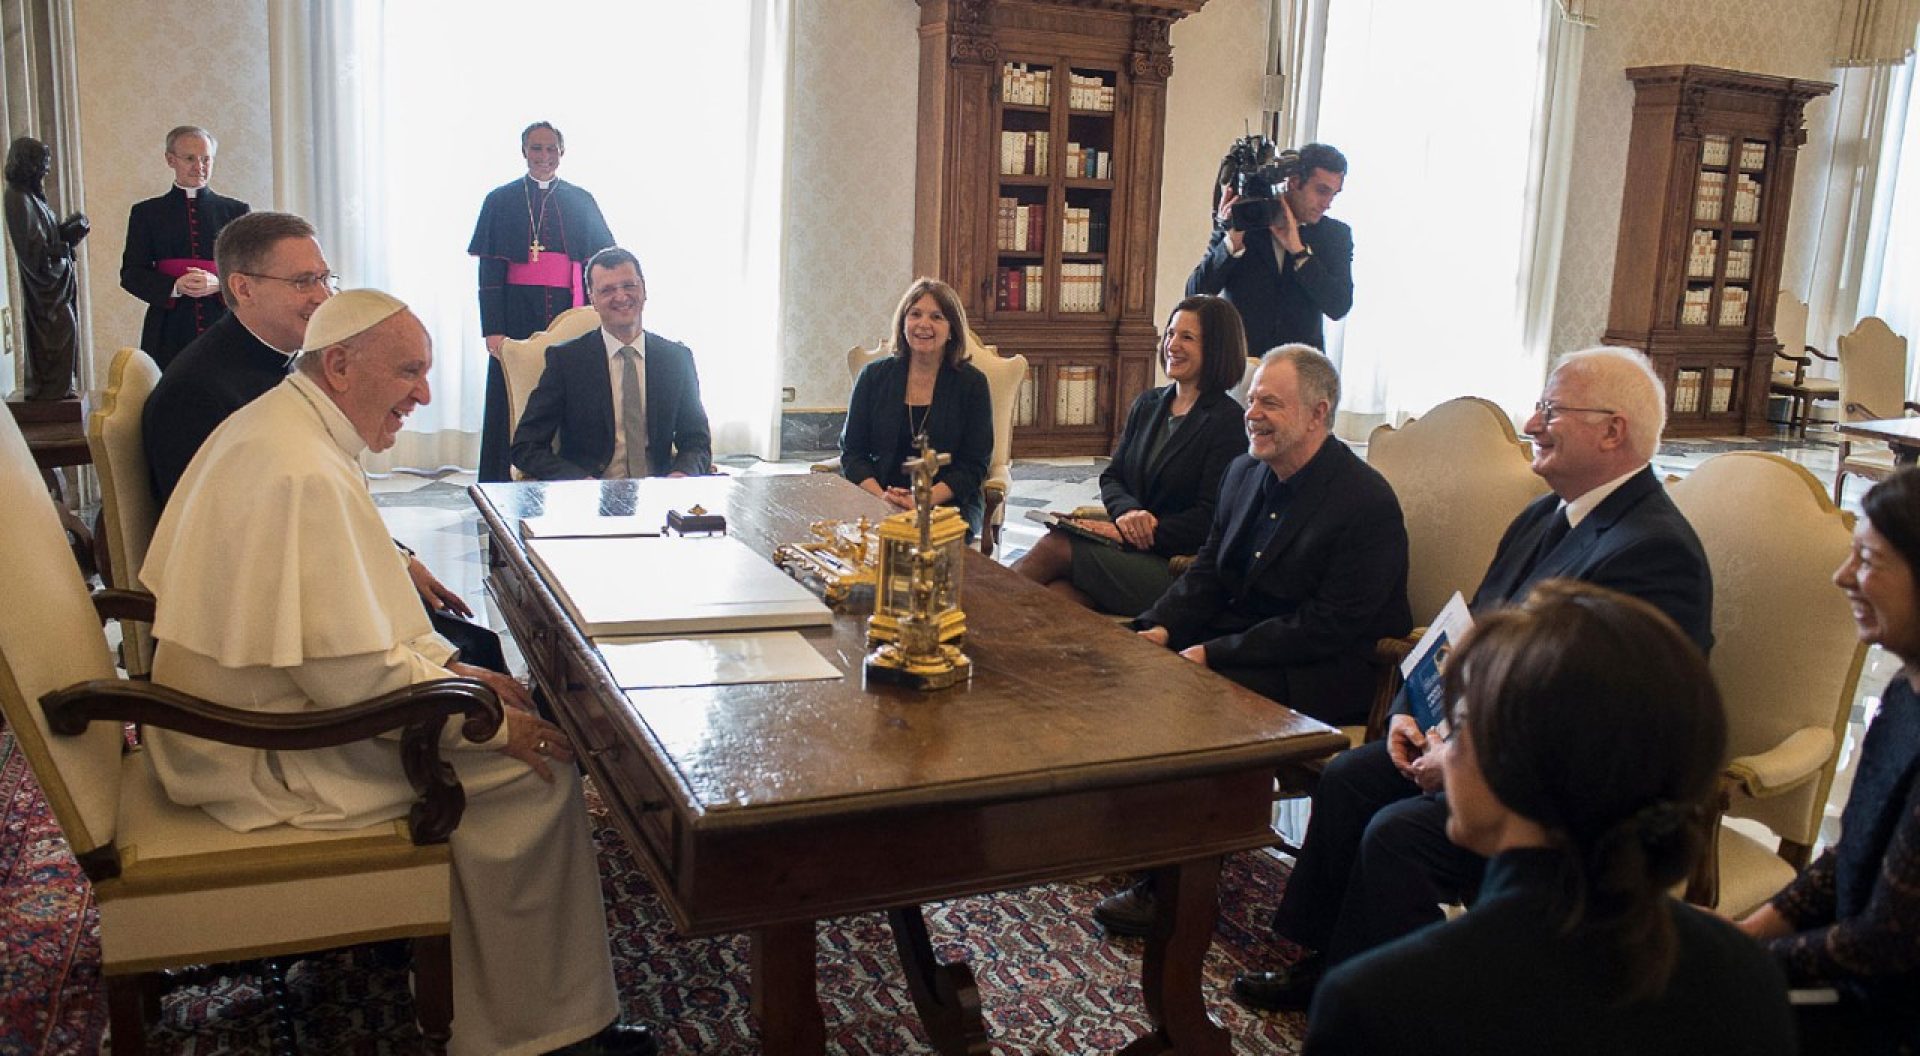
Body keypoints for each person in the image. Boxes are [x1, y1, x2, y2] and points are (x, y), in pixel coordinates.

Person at [140, 290, 654, 1056]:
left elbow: (341, 631)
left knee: (497, 713)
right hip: (268, 749)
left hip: (256, 711)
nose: (423, 394)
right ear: (339, 365)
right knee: (533, 772)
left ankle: (487, 978)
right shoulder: (301, 469)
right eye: (409, 372)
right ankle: (535, 1031)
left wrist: (451, 667)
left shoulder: (288, 428)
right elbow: (345, 672)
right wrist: (480, 715)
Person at [1234, 345, 1714, 1011]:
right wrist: (1407, 708)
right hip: (1472, 738)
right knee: (1350, 778)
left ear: (1613, 431)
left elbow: (1607, 722)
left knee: (1397, 835)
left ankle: (1426, 1007)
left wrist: (1470, 760)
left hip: (1554, 794)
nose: (1531, 422)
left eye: (1551, 410)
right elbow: (1469, 637)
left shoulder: (1652, 551)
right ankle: (1325, 963)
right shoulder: (1545, 515)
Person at [1304, 581, 1795, 1055]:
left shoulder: (1377, 1002)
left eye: (1457, 725)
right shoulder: (1747, 973)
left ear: (1511, 766)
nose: (1445, 750)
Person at [1093, 344, 1410, 936]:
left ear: (1318, 414)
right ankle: (1136, 839)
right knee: (1137, 662)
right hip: (1246, 642)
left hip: (1324, 668)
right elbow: (1210, 571)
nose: (1252, 414)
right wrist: (1158, 627)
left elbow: (1330, 626)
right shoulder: (1245, 471)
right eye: (1251, 399)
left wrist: (1213, 654)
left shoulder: (1364, 502)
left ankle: (1175, 888)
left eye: (1270, 402)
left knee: (1193, 697)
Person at [142, 211, 504, 673]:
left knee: (473, 644)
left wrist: (397, 559)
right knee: (476, 660)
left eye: (323, 278)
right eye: (302, 282)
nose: (322, 297)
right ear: (243, 288)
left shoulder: (273, 365)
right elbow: (241, 561)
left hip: (306, 611)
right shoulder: (205, 393)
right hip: (255, 641)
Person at [1739, 468, 1920, 1053]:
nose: (1842, 576)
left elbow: (1883, 945)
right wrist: (1749, 934)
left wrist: (1736, 963)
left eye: (1868, 560)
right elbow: (1857, 850)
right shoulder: (1905, 692)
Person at [1013, 294, 1248, 615]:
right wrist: (1127, 513)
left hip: (1176, 568)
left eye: (1187, 337)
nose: (1172, 344)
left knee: (1056, 547)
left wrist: (1134, 531)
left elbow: (1209, 521)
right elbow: (1113, 476)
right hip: (1124, 553)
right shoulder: (1148, 404)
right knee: (1058, 599)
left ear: (1216, 349)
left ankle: (973, 617)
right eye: (1170, 333)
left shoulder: (1228, 424)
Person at [469, 121, 615, 483]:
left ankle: (568, 471)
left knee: (570, 389)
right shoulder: (500, 200)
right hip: (517, 310)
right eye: (536, 148)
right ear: (524, 152)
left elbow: (602, 260)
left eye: (551, 149)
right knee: (510, 392)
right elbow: (489, 273)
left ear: (562, 153)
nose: (544, 156)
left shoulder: (580, 200)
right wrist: (493, 329)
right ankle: (501, 478)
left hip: (570, 308)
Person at [510, 247, 711, 480]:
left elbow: (697, 441)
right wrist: (579, 481)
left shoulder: (676, 359)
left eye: (629, 286)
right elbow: (526, 447)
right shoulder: (566, 362)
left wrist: (682, 473)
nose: (621, 297)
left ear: (644, 289)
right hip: (590, 498)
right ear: (592, 299)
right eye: (607, 290)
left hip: (660, 495)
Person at [838, 278, 994, 539]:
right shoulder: (873, 377)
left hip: (947, 503)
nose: (924, 324)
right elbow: (853, 453)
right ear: (903, 322)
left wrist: (921, 501)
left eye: (936, 317)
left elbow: (973, 466)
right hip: (880, 496)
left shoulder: (973, 384)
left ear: (952, 329)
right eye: (915, 314)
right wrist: (883, 498)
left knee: (924, 548)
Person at [1185, 142, 1351, 354]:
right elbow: (1195, 295)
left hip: (1300, 369)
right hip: (1242, 366)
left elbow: (1339, 306)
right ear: (1294, 182)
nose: (1327, 203)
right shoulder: (1246, 220)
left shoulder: (1335, 235)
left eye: (1334, 194)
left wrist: (1299, 252)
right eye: (1321, 191)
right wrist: (1232, 241)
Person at [119, 125, 250, 369]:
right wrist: (174, 286)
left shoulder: (236, 212)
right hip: (168, 327)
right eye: (190, 158)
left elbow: (251, 273)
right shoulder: (146, 213)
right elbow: (131, 274)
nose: (199, 167)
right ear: (170, 160)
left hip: (223, 322)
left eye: (206, 159)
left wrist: (220, 285)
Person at [3, 136, 88, 400]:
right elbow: (32, 252)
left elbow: (48, 238)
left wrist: (70, 231)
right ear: (28, 164)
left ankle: (58, 389)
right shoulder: (17, 198)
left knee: (66, 332)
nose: (47, 170)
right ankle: (51, 390)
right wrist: (62, 245)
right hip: (45, 290)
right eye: (42, 163)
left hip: (56, 284)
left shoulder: (32, 197)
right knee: (61, 330)